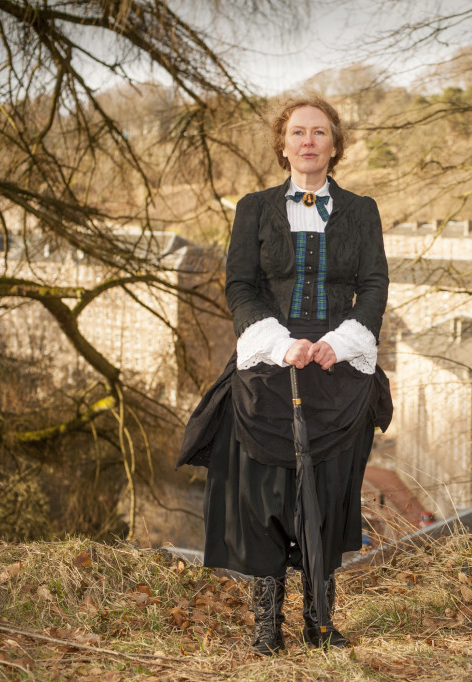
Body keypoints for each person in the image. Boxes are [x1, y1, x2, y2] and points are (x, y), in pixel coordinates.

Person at [177, 94, 391, 656]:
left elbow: (372, 286)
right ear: (283, 144)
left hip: (336, 369)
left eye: (320, 132)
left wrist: (339, 344)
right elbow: (240, 285)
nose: (309, 141)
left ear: (335, 145)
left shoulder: (362, 211)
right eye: (299, 132)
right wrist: (279, 341)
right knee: (266, 495)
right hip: (270, 361)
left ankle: (320, 623)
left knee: (324, 492)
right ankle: (266, 628)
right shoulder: (254, 208)